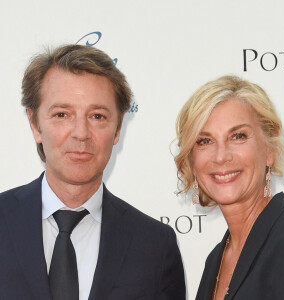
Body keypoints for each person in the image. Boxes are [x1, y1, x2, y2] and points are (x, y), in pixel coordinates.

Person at [0, 44, 186, 300]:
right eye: (62, 114)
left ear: (118, 128)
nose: (81, 133)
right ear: (35, 124)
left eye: (97, 116)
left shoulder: (155, 246)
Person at [175, 75, 284, 300]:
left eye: (238, 136)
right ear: (192, 160)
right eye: (204, 141)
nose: (221, 156)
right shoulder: (216, 260)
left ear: (269, 149)